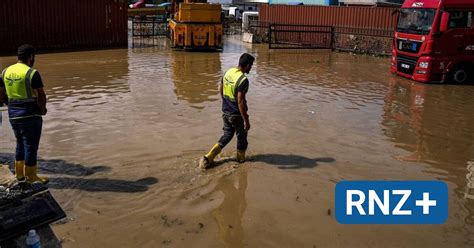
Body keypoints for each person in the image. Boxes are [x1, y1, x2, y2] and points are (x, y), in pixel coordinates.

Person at [0, 44, 48, 184]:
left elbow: (1, 94)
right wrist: (42, 109)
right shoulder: (32, 73)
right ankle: (31, 177)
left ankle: (19, 174)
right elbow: (41, 96)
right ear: (31, 57)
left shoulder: (5, 72)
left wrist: (11, 106)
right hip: (30, 115)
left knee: (20, 143)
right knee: (31, 146)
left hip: (13, 115)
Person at [199, 53, 255, 170]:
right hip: (236, 114)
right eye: (251, 66)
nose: (251, 68)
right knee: (242, 138)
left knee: (227, 135)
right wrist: (246, 120)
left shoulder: (228, 72)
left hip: (225, 111)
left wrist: (225, 104)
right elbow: (240, 102)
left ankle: (208, 157)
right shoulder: (243, 80)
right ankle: (241, 162)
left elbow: (220, 88)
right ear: (247, 65)